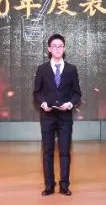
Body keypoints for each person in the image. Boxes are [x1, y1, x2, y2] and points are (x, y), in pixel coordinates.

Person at [32, 33, 82, 196]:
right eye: (54, 46)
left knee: (65, 151)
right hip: (47, 116)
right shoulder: (42, 69)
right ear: (49, 49)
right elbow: (37, 92)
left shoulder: (71, 69)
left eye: (60, 46)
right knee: (47, 151)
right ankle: (49, 185)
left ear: (64, 48)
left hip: (65, 117)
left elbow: (77, 93)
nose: (57, 49)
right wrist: (43, 104)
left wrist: (70, 104)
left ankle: (64, 185)